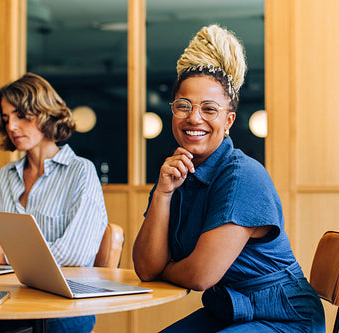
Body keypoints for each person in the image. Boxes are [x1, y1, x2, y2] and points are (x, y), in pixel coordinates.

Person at [133, 25, 325, 332]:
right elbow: (145, 268)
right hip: (232, 311)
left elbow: (200, 275)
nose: (194, 118)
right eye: (184, 106)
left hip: (284, 318)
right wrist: (162, 195)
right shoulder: (177, 171)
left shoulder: (243, 176)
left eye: (209, 109)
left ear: (228, 120)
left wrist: (166, 270)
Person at [0, 73, 107, 333]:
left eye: (20, 115)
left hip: (63, 304)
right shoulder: (5, 177)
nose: (11, 126)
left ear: (46, 113)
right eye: (6, 118)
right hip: (9, 296)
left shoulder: (80, 172)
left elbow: (76, 255)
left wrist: (4, 254)